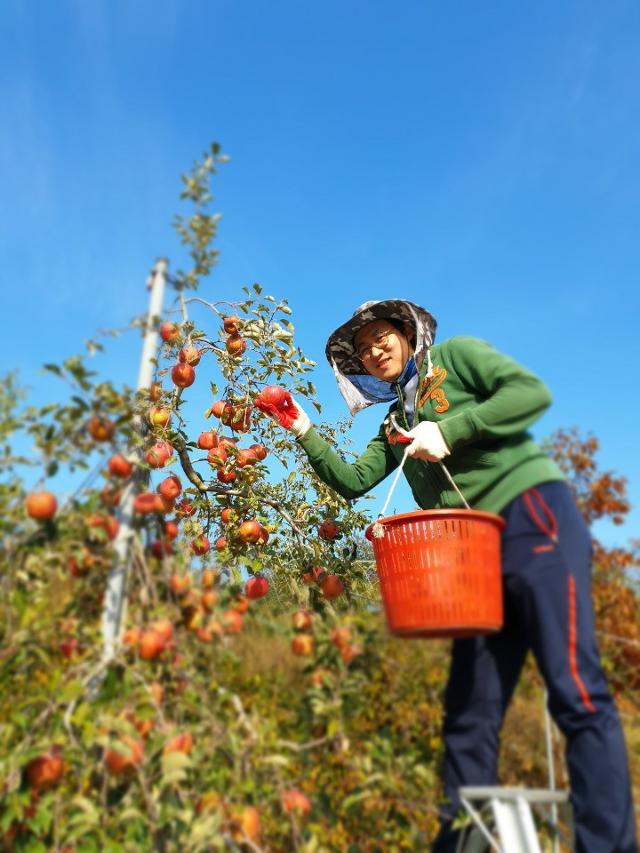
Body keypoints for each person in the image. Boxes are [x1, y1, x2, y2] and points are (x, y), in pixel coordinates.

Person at [255, 299, 637, 853]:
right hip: (472, 558)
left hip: (533, 519)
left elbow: (529, 393)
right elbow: (353, 480)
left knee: (575, 690)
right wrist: (302, 427)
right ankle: (459, 844)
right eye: (362, 351)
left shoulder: (456, 359)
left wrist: (452, 429)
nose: (373, 351)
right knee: (469, 713)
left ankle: (607, 846)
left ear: (407, 334)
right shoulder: (393, 423)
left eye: (381, 337)